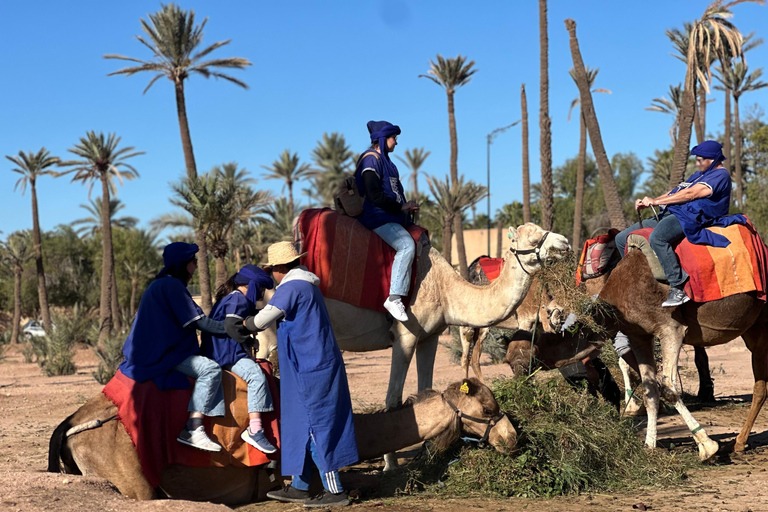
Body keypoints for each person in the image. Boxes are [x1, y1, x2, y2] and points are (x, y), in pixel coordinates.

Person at [240, 241, 357, 508]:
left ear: (280, 268)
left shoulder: (292, 287)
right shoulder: (306, 286)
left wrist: (242, 322)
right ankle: (301, 486)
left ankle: (335, 491)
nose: (271, 276)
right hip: (309, 366)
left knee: (317, 427)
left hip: (311, 369)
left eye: (272, 271)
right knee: (300, 424)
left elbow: (261, 321)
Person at [119, 242, 250, 452]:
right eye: (193, 262)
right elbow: (201, 323)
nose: (196, 266)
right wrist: (238, 328)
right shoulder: (172, 287)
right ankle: (193, 429)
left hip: (151, 351)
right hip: (163, 354)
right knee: (210, 369)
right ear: (183, 264)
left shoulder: (160, 284)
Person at [614, 140, 731, 307]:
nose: (697, 163)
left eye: (700, 160)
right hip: (672, 212)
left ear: (712, 159)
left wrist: (654, 202)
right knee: (621, 238)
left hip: (693, 217)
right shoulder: (699, 175)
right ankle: (631, 282)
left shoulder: (721, 175)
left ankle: (678, 287)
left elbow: (691, 194)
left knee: (658, 238)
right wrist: (651, 201)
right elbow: (678, 191)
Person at [200, 264, 277, 454]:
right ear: (251, 286)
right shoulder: (238, 299)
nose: (260, 293)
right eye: (259, 288)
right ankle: (255, 429)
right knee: (256, 376)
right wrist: (249, 342)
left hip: (222, 351)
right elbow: (232, 327)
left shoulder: (232, 297)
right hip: (226, 353)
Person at [354, 120, 419, 322]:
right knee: (407, 245)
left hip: (391, 216)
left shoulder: (389, 164)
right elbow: (373, 194)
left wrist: (406, 207)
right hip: (378, 217)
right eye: (394, 138)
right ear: (383, 139)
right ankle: (394, 297)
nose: (396, 143)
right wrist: (401, 207)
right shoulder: (370, 160)